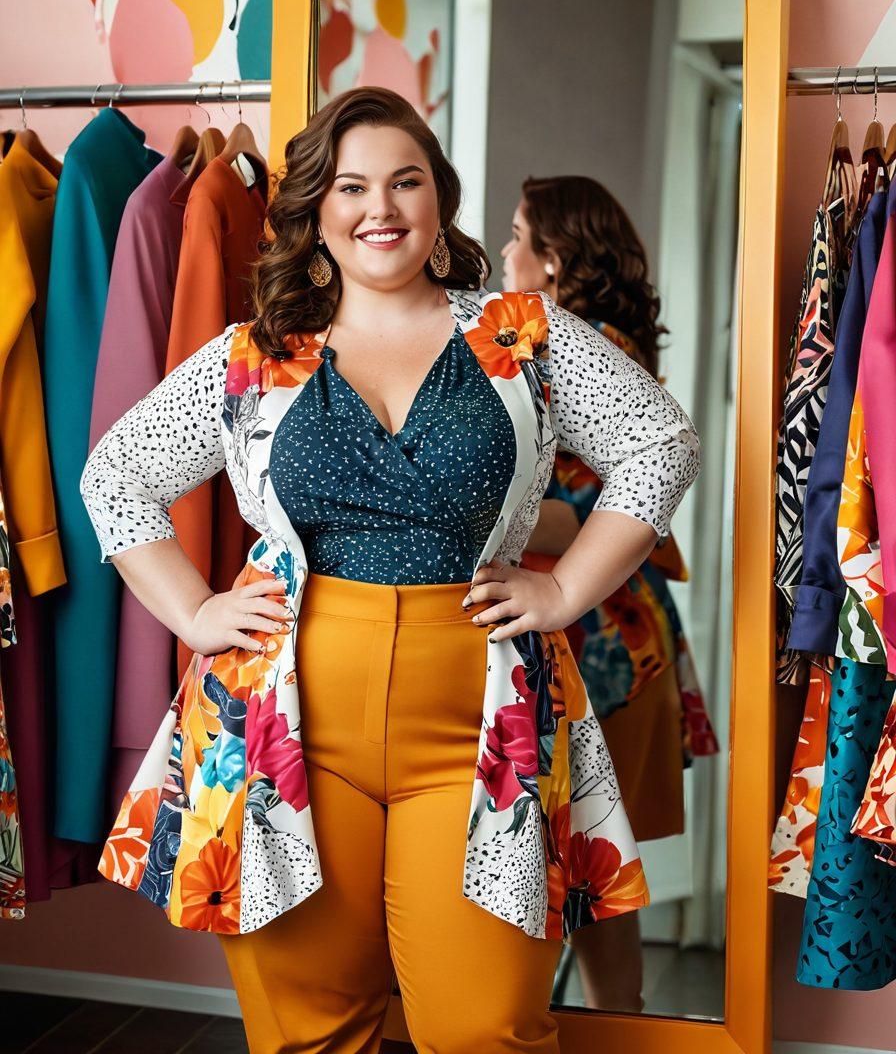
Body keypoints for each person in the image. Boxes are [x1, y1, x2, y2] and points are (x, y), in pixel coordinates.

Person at [80, 90, 700, 1054]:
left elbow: (660, 438)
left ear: (437, 200)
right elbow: (115, 475)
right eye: (352, 185)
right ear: (318, 210)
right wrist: (193, 611)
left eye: (406, 181)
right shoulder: (257, 356)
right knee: (311, 1031)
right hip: (286, 723)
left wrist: (568, 588)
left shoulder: (522, 336)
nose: (381, 207)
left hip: (484, 718)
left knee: (486, 1027)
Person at [502, 174, 718, 1014]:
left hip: (595, 638)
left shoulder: (582, 348)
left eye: (519, 235)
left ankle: (587, 1028)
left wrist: (486, 511)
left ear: (553, 260)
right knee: (589, 862)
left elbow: (595, 512)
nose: (507, 251)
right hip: (617, 635)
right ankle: (608, 1027)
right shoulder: (603, 340)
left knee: (571, 855)